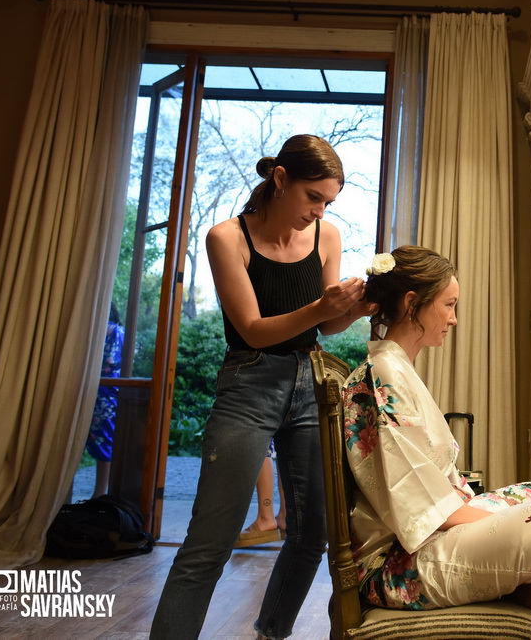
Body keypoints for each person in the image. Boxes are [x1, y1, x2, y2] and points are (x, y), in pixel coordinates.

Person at [151, 134, 373, 639]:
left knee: (312, 532)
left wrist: (355, 308)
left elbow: (329, 328)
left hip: (310, 383)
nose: (319, 212)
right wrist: (322, 308)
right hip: (249, 381)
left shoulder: (327, 237)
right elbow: (253, 327)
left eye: (328, 202)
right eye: (312, 197)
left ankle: (270, 633)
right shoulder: (226, 238)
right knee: (210, 539)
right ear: (280, 180)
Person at [341, 246, 531, 614]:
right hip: (396, 565)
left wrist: (500, 520)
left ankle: (516, 585)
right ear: (411, 303)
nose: (454, 319)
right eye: (448, 305)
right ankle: (517, 588)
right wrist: (500, 523)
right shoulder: (384, 373)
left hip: (428, 533)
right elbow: (422, 504)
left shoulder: (396, 368)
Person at [85, 302, 124, 498]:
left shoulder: (108, 331)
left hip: (104, 390)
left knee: (102, 440)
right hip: (107, 391)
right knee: (104, 440)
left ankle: (100, 492)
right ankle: (100, 491)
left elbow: (110, 361)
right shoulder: (116, 331)